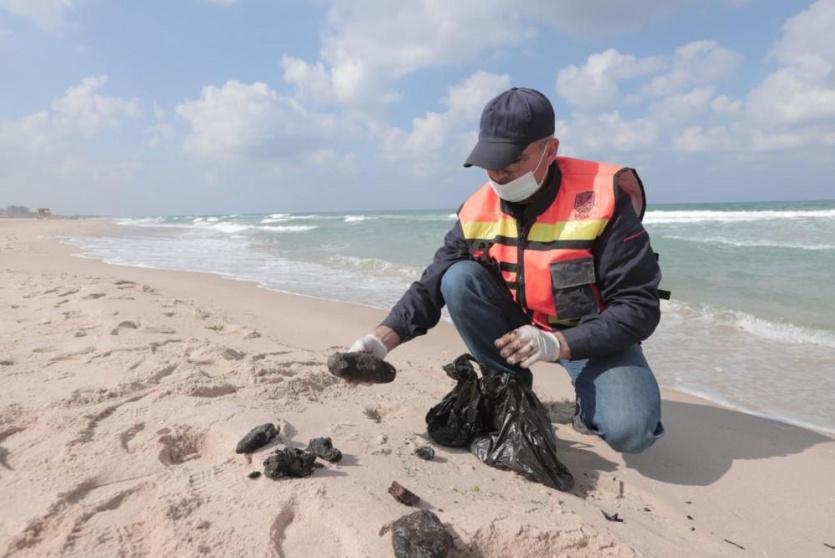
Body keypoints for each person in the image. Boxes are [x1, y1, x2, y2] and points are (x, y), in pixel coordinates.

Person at [349, 87, 665, 454]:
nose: (498, 174)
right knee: (458, 277)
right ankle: (510, 388)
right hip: (517, 330)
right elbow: (431, 285)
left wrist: (558, 344)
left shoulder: (603, 200)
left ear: (551, 150)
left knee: (631, 430)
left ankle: (589, 405)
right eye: (490, 161)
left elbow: (638, 306)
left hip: (592, 336)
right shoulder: (477, 209)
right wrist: (381, 340)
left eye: (512, 160)